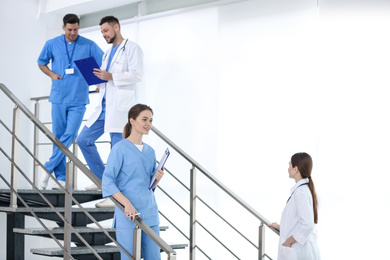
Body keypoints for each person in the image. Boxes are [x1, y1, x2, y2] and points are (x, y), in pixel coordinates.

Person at [76, 16, 143, 207]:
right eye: (102, 32)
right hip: (104, 107)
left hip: (120, 108)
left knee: (117, 152)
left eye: (106, 31)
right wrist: (99, 81)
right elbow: (106, 79)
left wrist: (111, 76)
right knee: (83, 139)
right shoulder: (107, 53)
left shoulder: (131, 48)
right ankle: (104, 181)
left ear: (116, 27)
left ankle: (115, 197)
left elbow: (137, 75)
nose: (104, 35)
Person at [38, 14, 103, 190]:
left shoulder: (88, 45)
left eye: (75, 29)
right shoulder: (52, 44)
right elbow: (41, 62)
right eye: (69, 29)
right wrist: (51, 74)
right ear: (63, 28)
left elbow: (103, 63)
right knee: (58, 137)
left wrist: (98, 82)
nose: (73, 33)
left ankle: (48, 167)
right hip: (59, 96)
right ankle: (60, 178)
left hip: (78, 98)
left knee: (71, 134)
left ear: (79, 27)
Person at [102, 104, 164, 260]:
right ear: (132, 121)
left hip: (149, 210)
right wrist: (126, 203)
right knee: (129, 257)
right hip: (127, 213)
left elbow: (148, 186)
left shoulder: (150, 151)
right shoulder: (119, 149)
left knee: (154, 257)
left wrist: (156, 179)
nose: (148, 124)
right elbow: (108, 181)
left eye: (150, 120)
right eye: (144, 119)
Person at [268, 152, 320, 260]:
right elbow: (298, 221)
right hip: (303, 250)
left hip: (299, 251)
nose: (288, 168)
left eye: (289, 165)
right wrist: (281, 227)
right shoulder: (304, 190)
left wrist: (288, 242)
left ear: (296, 169)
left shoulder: (300, 193)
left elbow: (307, 224)